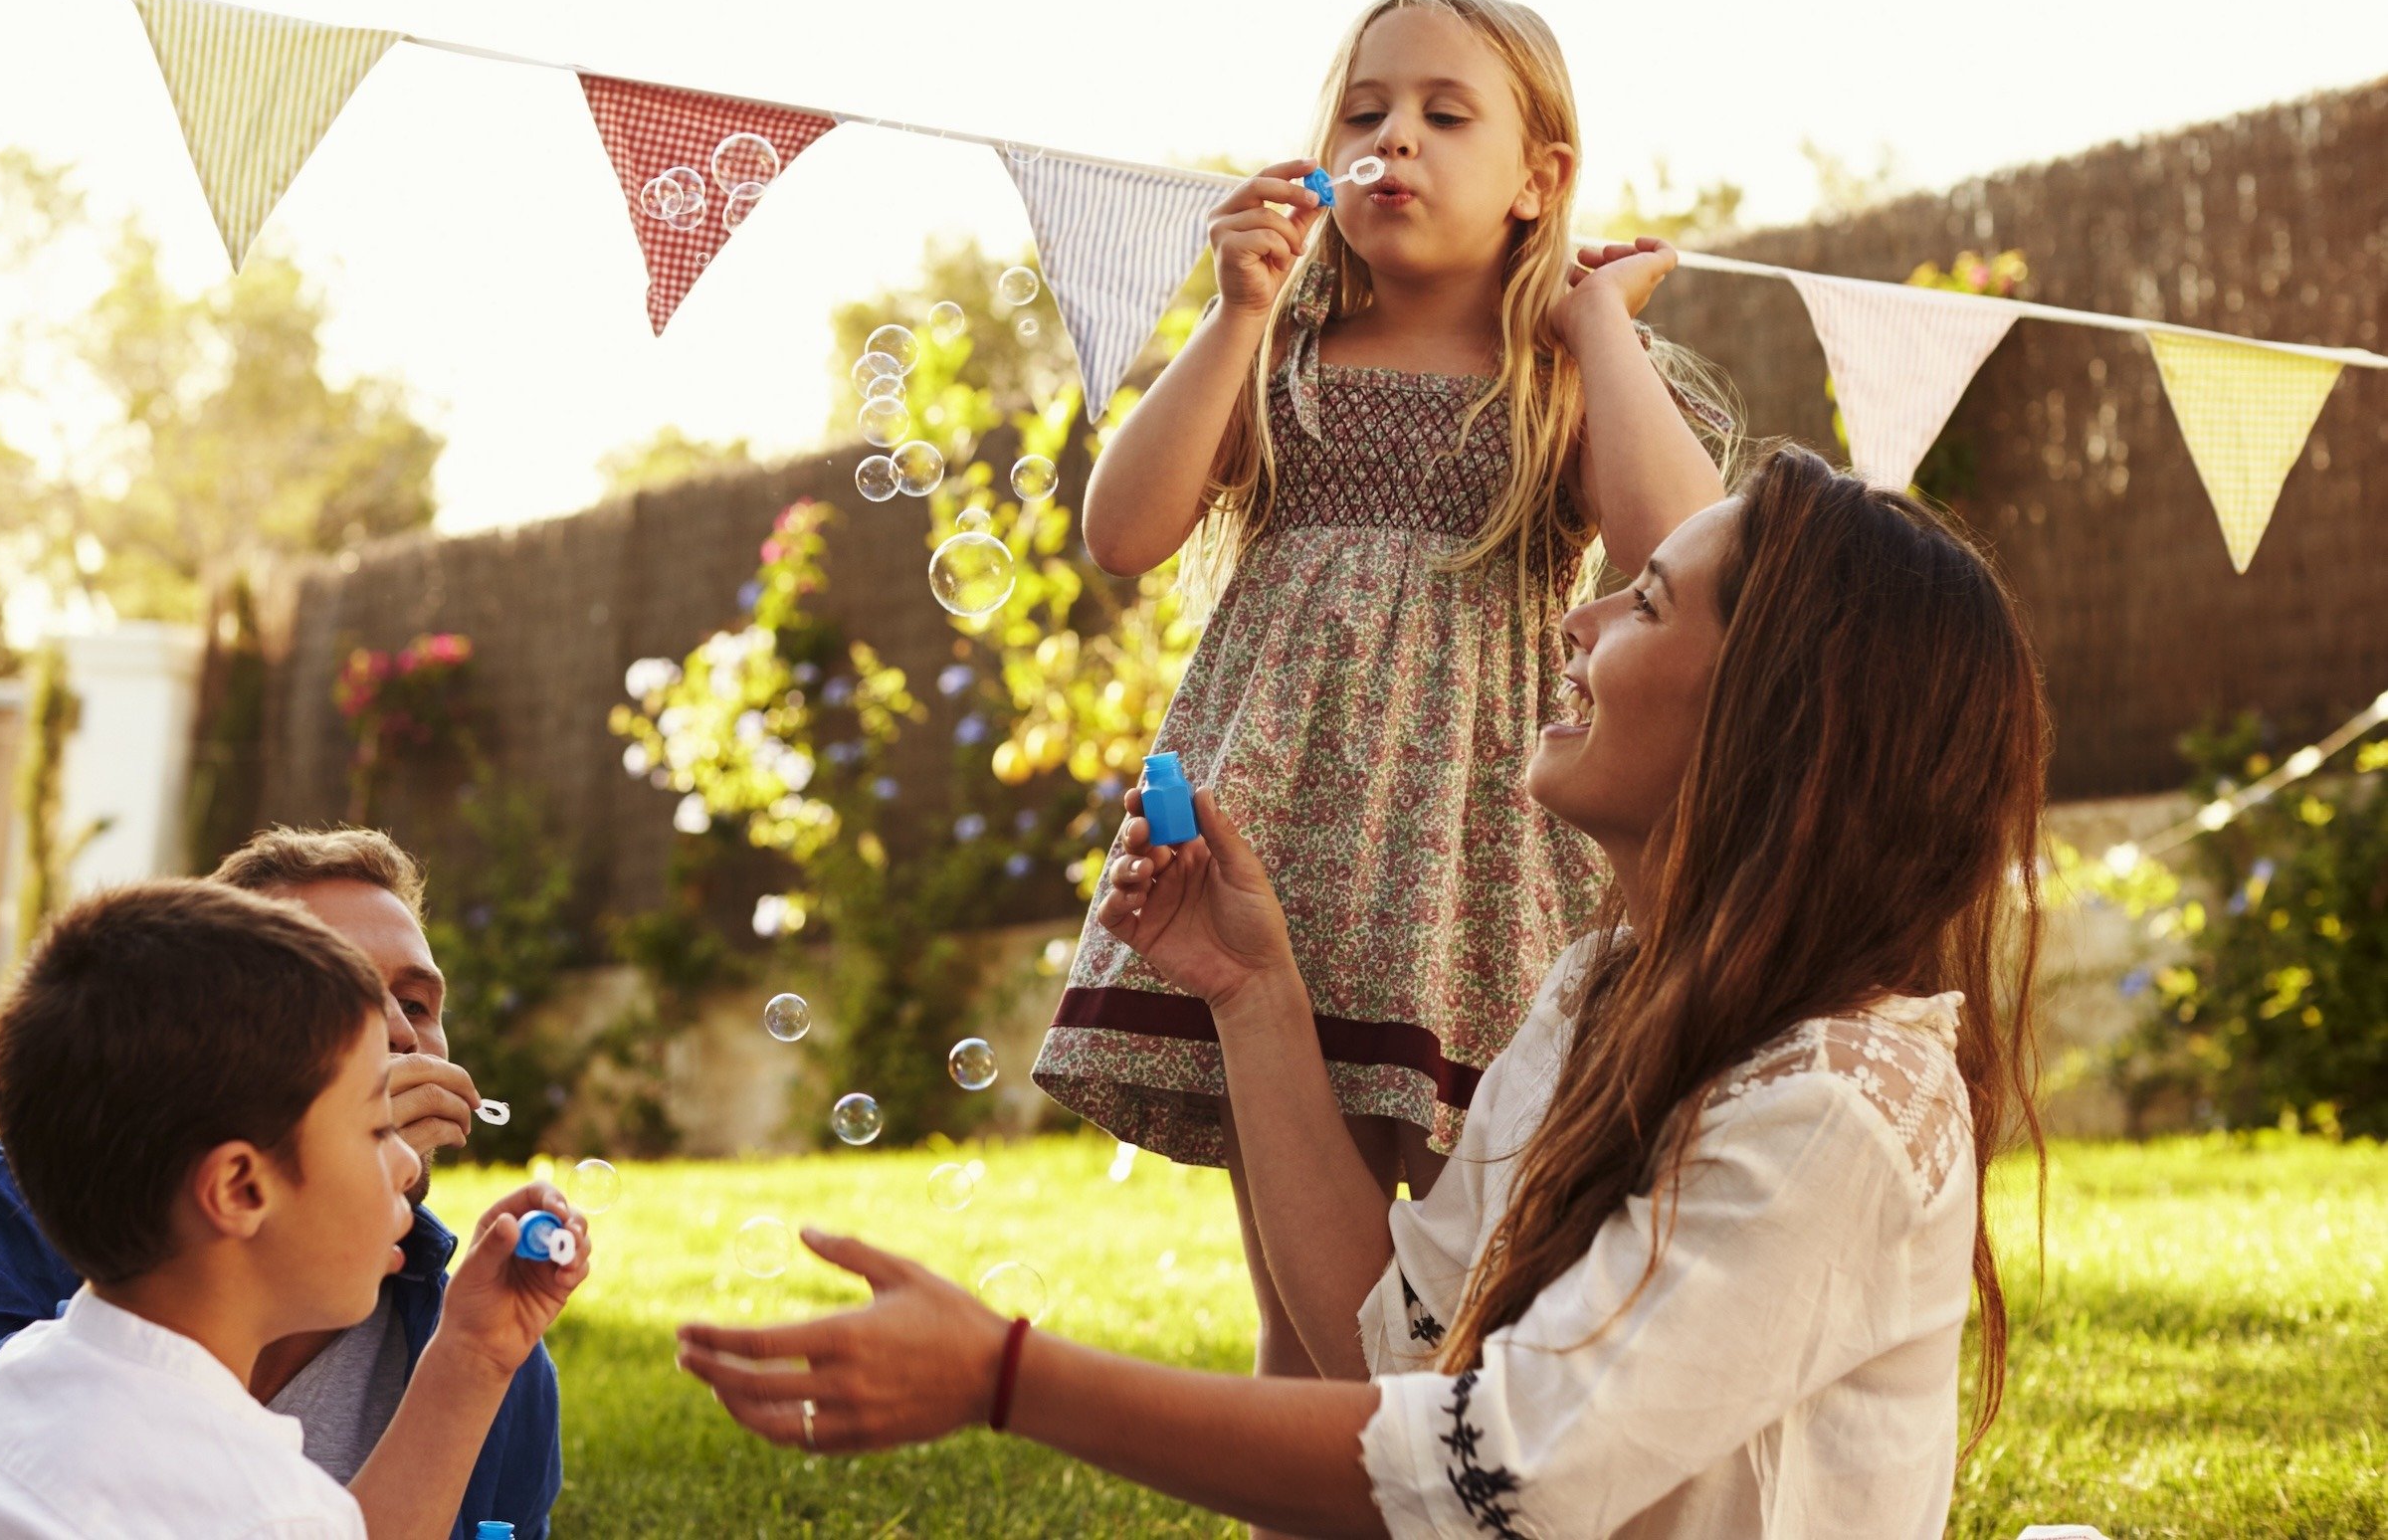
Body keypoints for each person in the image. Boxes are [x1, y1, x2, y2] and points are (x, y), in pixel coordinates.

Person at [678, 446, 2049, 1539]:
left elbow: (1500, 1477)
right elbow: (1393, 1357)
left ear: (1775, 713)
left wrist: (1005, 1378)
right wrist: (1253, 993)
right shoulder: (1600, 999)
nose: (1573, 620)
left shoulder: (1837, 1106)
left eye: (1643, 603)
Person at [1029, 0, 1732, 1413]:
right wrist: (1236, 308)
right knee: (1303, 1329)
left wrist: (1599, 321)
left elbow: (1686, 551)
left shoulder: (1561, 378)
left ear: (1541, 182)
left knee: (1468, 1305)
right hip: (1277, 863)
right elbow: (1122, 530)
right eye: (1365, 110)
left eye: (1443, 114)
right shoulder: (1280, 355)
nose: (1393, 138)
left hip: (1478, 871)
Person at [0, 827, 561, 1540]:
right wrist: (168, 1269)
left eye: (417, 1003)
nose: (399, 1036)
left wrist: (469, 1361)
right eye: (343, 1000)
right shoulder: (14, 1207)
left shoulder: (482, 1345)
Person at [0, 878, 586, 1538]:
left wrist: (469, 1353)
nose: (409, 1160)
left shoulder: (20, 1379)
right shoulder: (263, 1504)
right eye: (375, 1129)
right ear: (239, 1188)